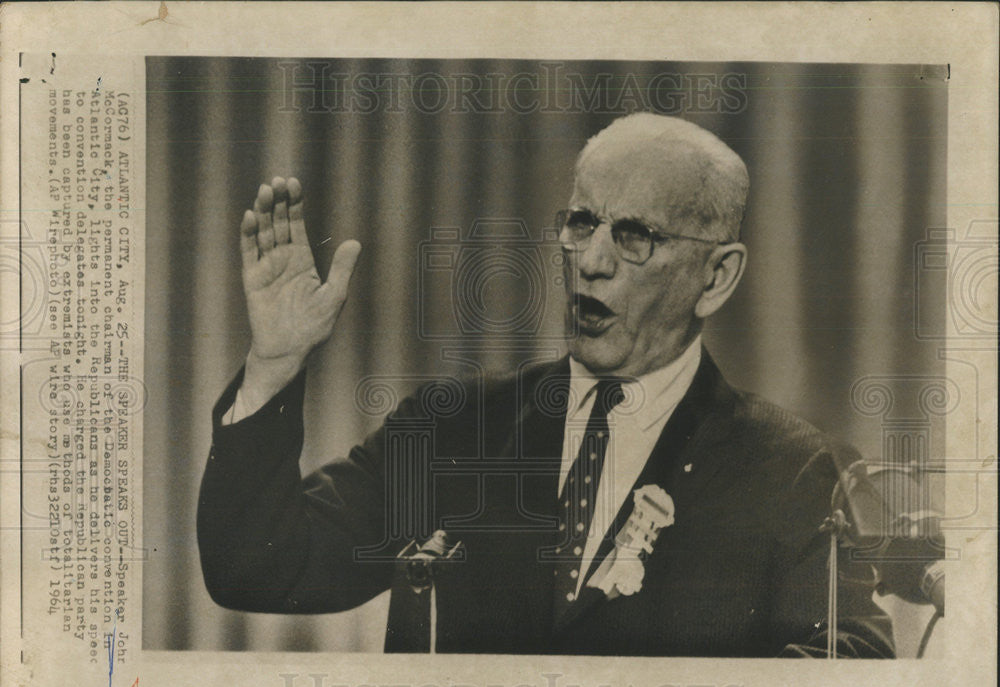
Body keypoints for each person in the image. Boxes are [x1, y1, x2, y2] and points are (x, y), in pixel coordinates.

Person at [197, 113, 894, 657]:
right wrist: (274, 363)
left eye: (634, 236)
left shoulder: (793, 469)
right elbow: (256, 567)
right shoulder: (452, 429)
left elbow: (852, 660)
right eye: (583, 222)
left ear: (716, 277)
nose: (590, 261)